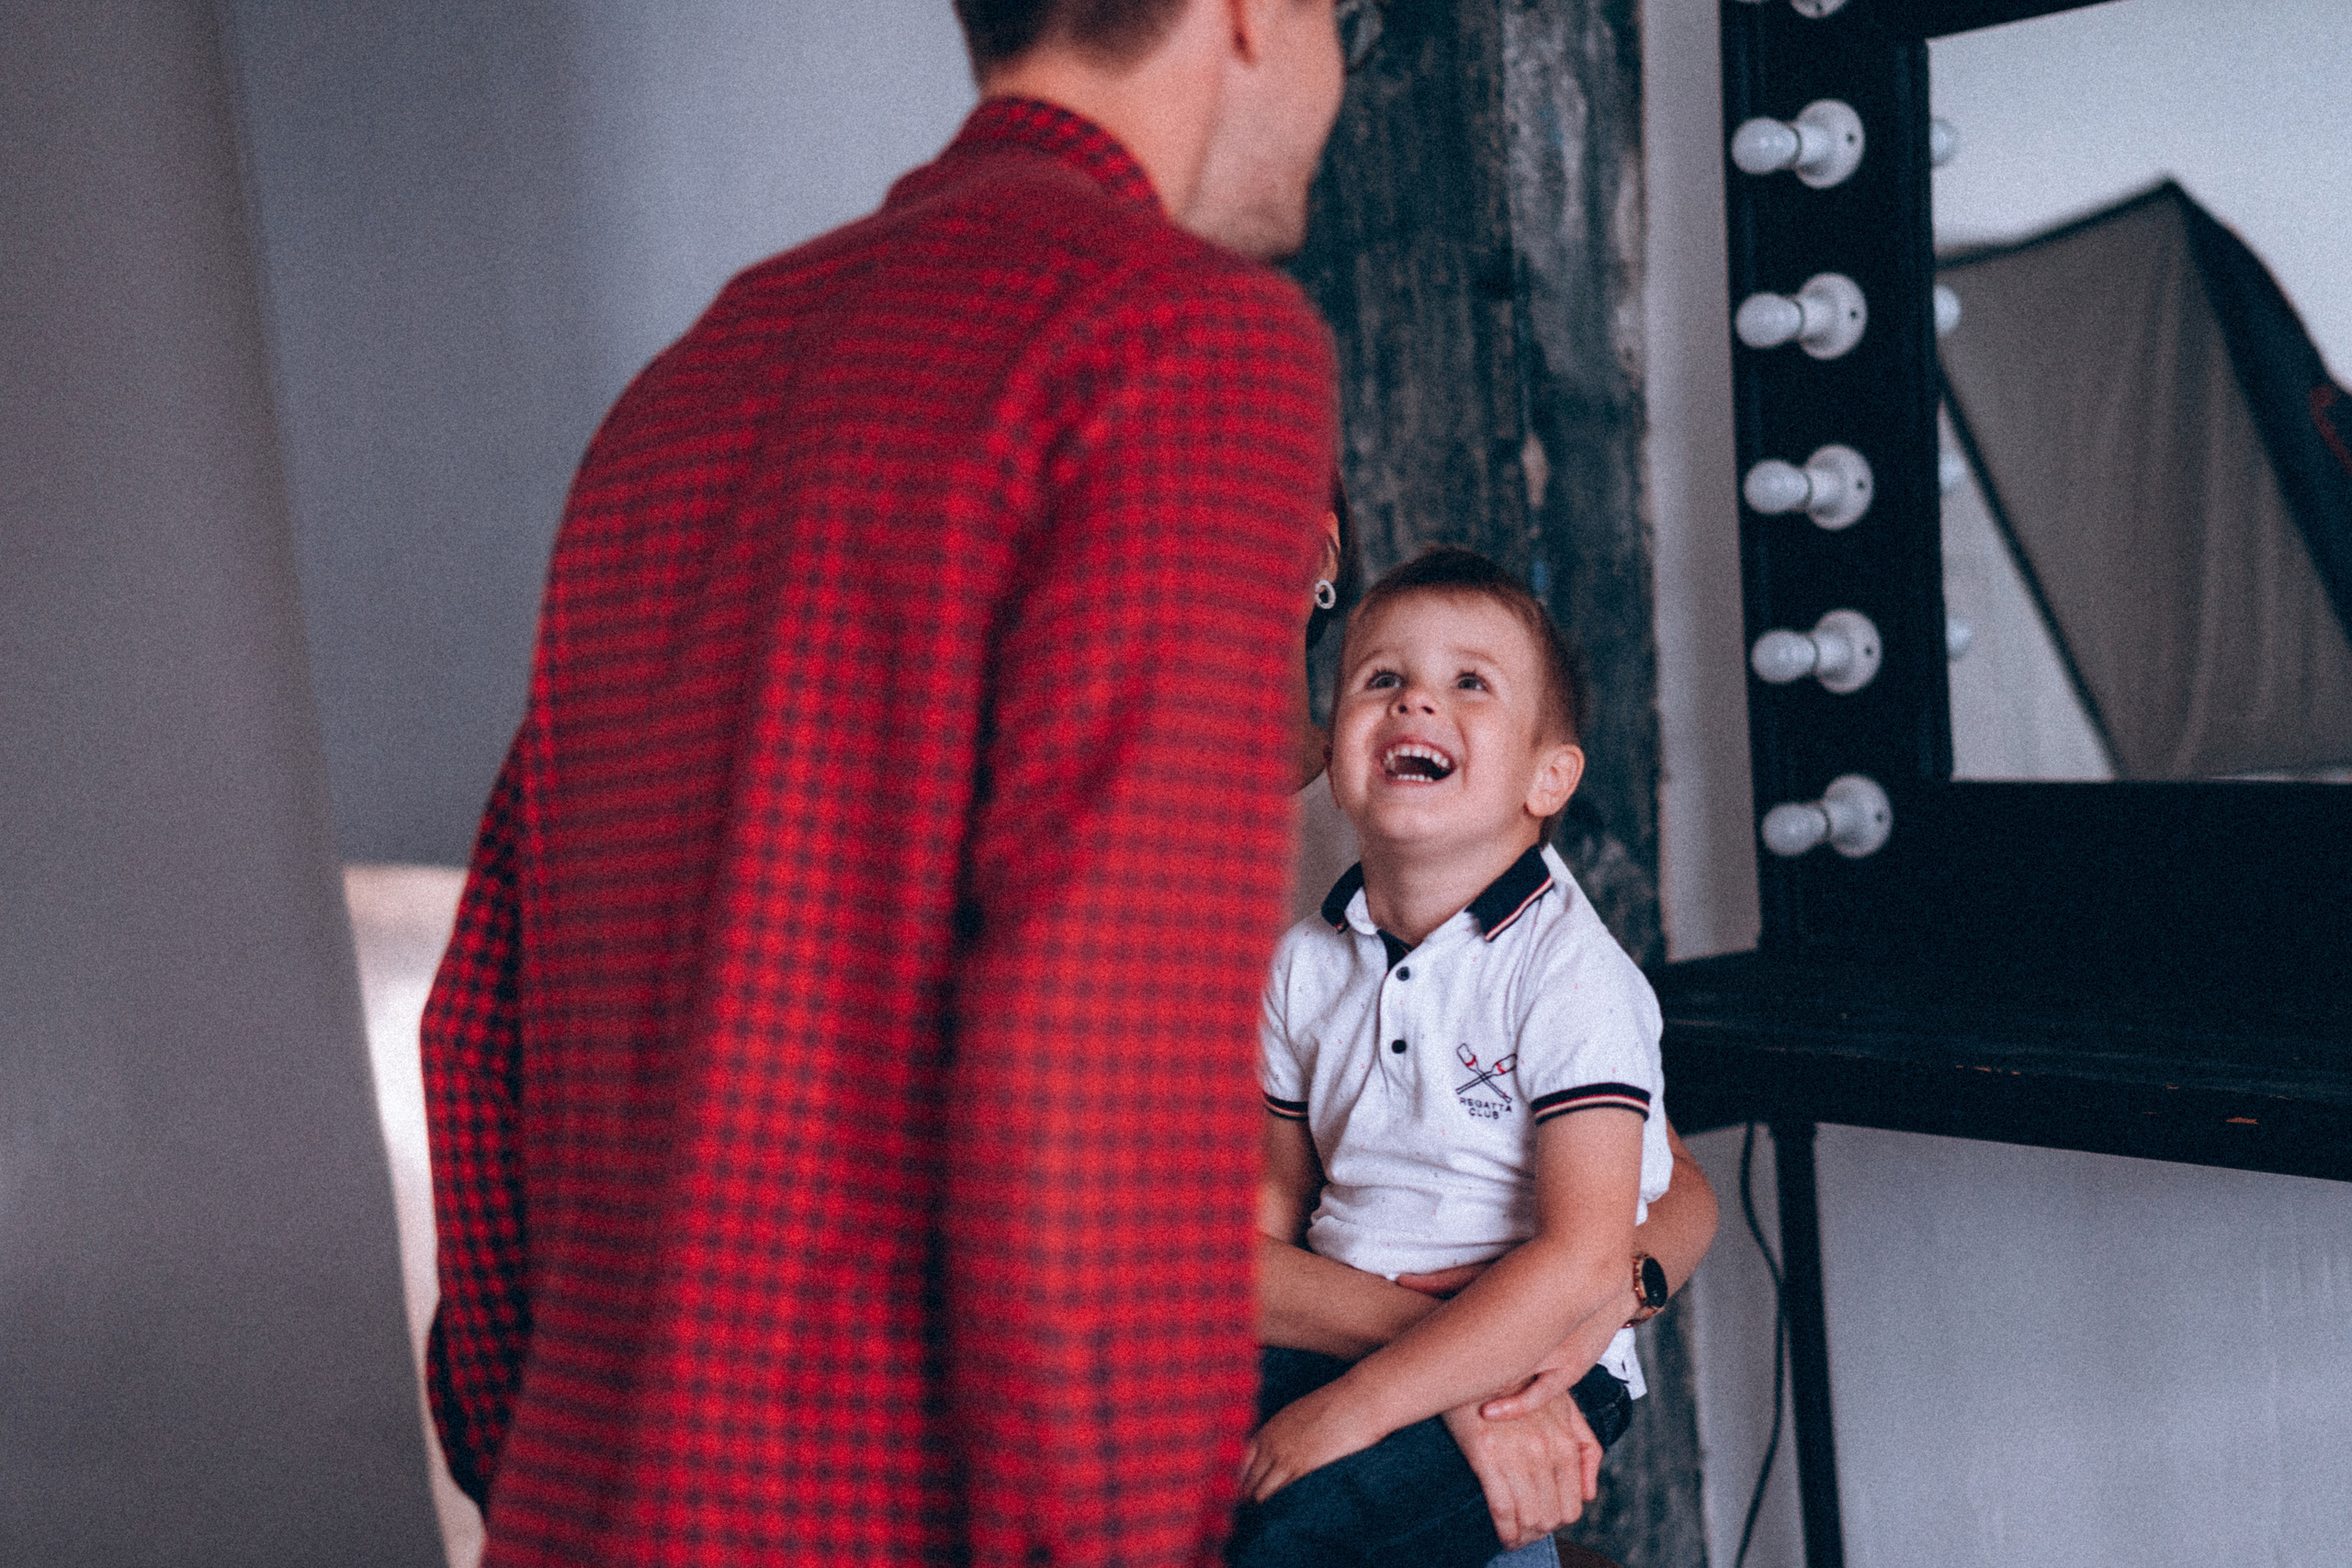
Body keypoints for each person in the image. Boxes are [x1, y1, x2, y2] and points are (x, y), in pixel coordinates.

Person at [420, 3, 1348, 1564]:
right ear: (1250, 13)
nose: (1340, 71)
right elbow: (1094, 1101)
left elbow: (484, 1030)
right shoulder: (1179, 341)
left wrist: (550, 1465)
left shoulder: (688, 384)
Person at [1237, 547, 1703, 1566]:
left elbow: (1590, 1250)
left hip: (1537, 1356)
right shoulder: (1306, 964)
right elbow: (1258, 1229)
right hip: (1333, 1330)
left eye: (1466, 684)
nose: (1413, 705)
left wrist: (1369, 1403)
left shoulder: (1567, 974)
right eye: (1382, 681)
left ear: (1549, 779)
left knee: (1294, 1541)